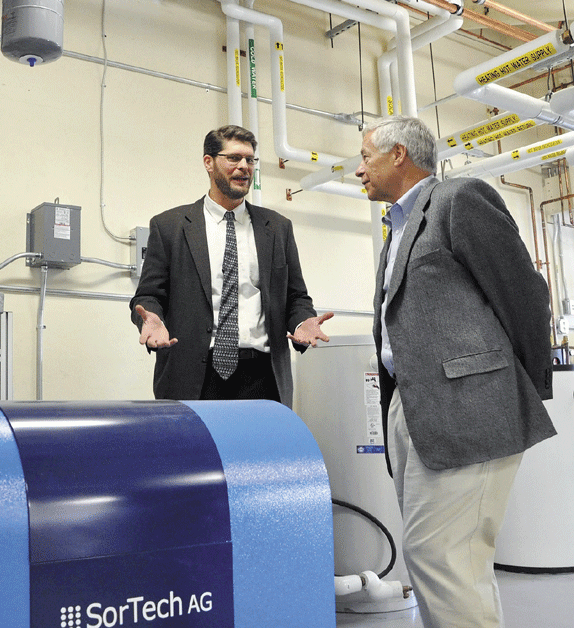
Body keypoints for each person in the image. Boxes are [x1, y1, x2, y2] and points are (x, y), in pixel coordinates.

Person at [355, 114, 556, 628]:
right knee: (451, 564)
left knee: (439, 557)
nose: (360, 170)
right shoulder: (398, 228)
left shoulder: (458, 200)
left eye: (365, 157)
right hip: (411, 404)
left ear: (398, 154)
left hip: (469, 407)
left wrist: (513, 391)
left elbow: (526, 296)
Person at [130, 124, 333, 407]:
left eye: (250, 160)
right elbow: (148, 295)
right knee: (199, 453)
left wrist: (302, 321)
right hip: (194, 377)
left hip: (262, 376)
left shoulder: (276, 228)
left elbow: (295, 296)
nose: (244, 167)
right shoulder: (169, 227)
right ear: (208, 162)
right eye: (234, 158)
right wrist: (152, 319)